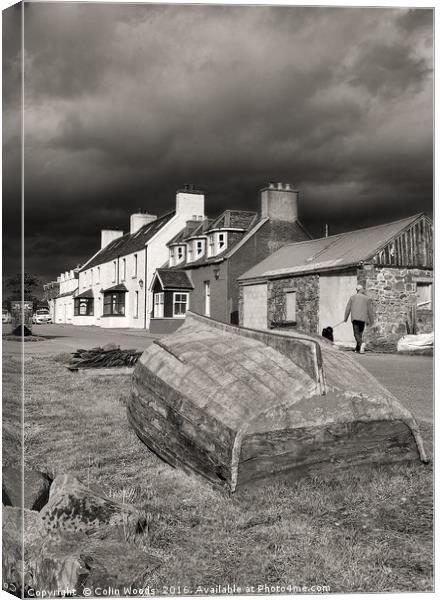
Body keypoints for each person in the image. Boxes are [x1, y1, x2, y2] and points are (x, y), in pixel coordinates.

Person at [344, 284, 374, 353]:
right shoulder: (367, 299)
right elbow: (370, 310)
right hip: (363, 319)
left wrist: (345, 318)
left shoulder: (352, 298)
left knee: (356, 334)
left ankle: (362, 343)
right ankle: (358, 349)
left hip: (355, 318)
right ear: (361, 290)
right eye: (363, 289)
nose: (364, 290)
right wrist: (371, 321)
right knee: (360, 334)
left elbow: (348, 308)